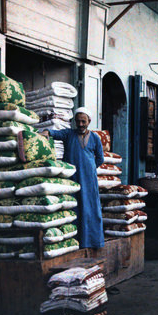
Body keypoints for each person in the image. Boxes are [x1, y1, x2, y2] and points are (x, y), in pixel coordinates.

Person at [40, 107, 104, 249]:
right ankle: (74, 240)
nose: (80, 124)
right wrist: (47, 132)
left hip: (89, 180)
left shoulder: (95, 138)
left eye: (83, 121)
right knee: (74, 207)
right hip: (72, 179)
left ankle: (92, 242)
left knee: (90, 208)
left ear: (89, 121)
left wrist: (90, 168)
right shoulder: (69, 134)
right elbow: (56, 133)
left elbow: (100, 158)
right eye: (78, 121)